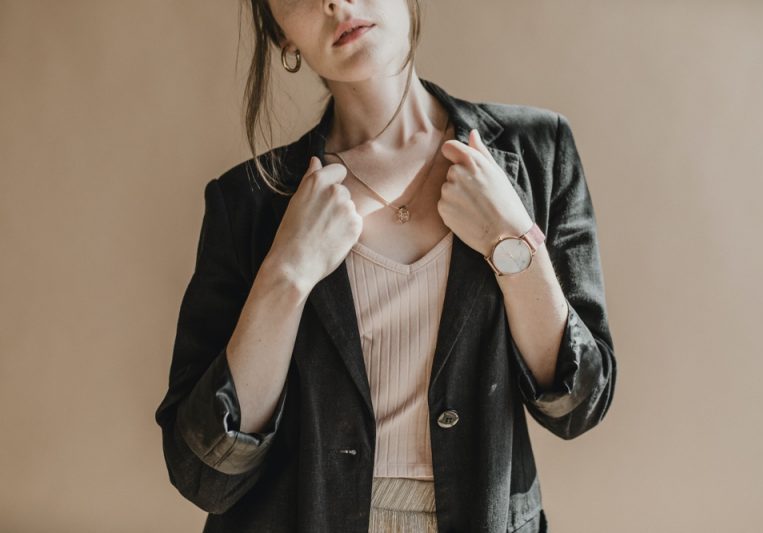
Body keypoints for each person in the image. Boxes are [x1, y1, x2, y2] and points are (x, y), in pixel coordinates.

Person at [154, 0, 617, 531]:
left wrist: (511, 241)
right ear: (282, 36)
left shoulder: (537, 152)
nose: (335, 2)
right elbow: (203, 472)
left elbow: (579, 404)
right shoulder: (249, 202)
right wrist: (286, 274)